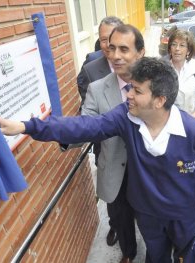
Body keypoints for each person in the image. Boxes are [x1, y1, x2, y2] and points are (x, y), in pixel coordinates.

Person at [0, 57, 195, 263]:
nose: (129, 95)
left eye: (137, 91)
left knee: (187, 257)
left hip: (183, 214)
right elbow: (85, 126)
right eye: (130, 87)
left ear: (160, 100)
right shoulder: (125, 117)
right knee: (156, 256)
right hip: (147, 213)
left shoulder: (192, 128)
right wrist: (27, 126)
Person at [81, 24, 144, 263]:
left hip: (148, 169)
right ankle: (129, 253)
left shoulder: (156, 81)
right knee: (121, 217)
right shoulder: (97, 89)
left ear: (139, 52)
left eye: (124, 49)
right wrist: (62, 134)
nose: (115, 55)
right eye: (112, 47)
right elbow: (85, 126)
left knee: (151, 219)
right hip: (115, 170)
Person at [77, 16, 123, 107]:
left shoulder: (139, 66)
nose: (109, 44)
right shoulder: (90, 69)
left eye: (112, 37)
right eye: (104, 40)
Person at [167, 29, 195, 119]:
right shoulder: (163, 69)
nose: (177, 49)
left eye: (182, 45)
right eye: (174, 44)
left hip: (193, 119)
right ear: (170, 48)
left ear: (188, 51)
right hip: (169, 121)